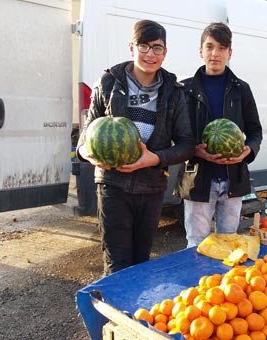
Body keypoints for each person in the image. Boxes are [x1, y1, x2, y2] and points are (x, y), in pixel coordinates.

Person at [76, 20, 195, 275]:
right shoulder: (108, 84)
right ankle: (112, 314)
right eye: (144, 46)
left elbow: (186, 145)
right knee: (117, 263)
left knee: (141, 263)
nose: (150, 54)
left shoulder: (173, 92)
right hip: (112, 186)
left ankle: (134, 314)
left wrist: (153, 159)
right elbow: (84, 141)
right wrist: (92, 155)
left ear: (165, 52)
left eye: (157, 48)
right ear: (132, 47)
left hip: (151, 187)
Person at [181, 22, 263, 248]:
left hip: (233, 179)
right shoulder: (185, 90)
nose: (214, 53)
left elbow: (255, 131)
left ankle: (224, 284)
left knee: (229, 242)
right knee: (196, 243)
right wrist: (195, 151)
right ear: (200, 51)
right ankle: (196, 283)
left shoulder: (241, 89)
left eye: (221, 48)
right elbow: (176, 136)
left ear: (230, 53)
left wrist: (248, 151)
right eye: (209, 47)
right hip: (198, 179)